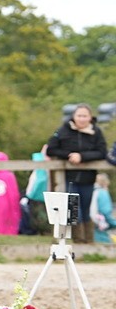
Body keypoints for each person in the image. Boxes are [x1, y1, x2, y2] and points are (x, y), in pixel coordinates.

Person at [46, 103, 107, 243]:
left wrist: (82, 157)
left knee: (86, 211)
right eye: (79, 115)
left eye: (85, 116)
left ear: (90, 117)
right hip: (69, 178)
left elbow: (102, 152)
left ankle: (89, 243)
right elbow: (51, 149)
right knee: (74, 212)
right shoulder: (63, 131)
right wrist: (69, 155)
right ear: (74, 116)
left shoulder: (96, 132)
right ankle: (78, 243)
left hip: (88, 178)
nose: (82, 119)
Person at [91, 173, 113, 244]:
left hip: (93, 222)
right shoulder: (103, 193)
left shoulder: (93, 191)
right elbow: (105, 211)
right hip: (101, 223)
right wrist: (113, 223)